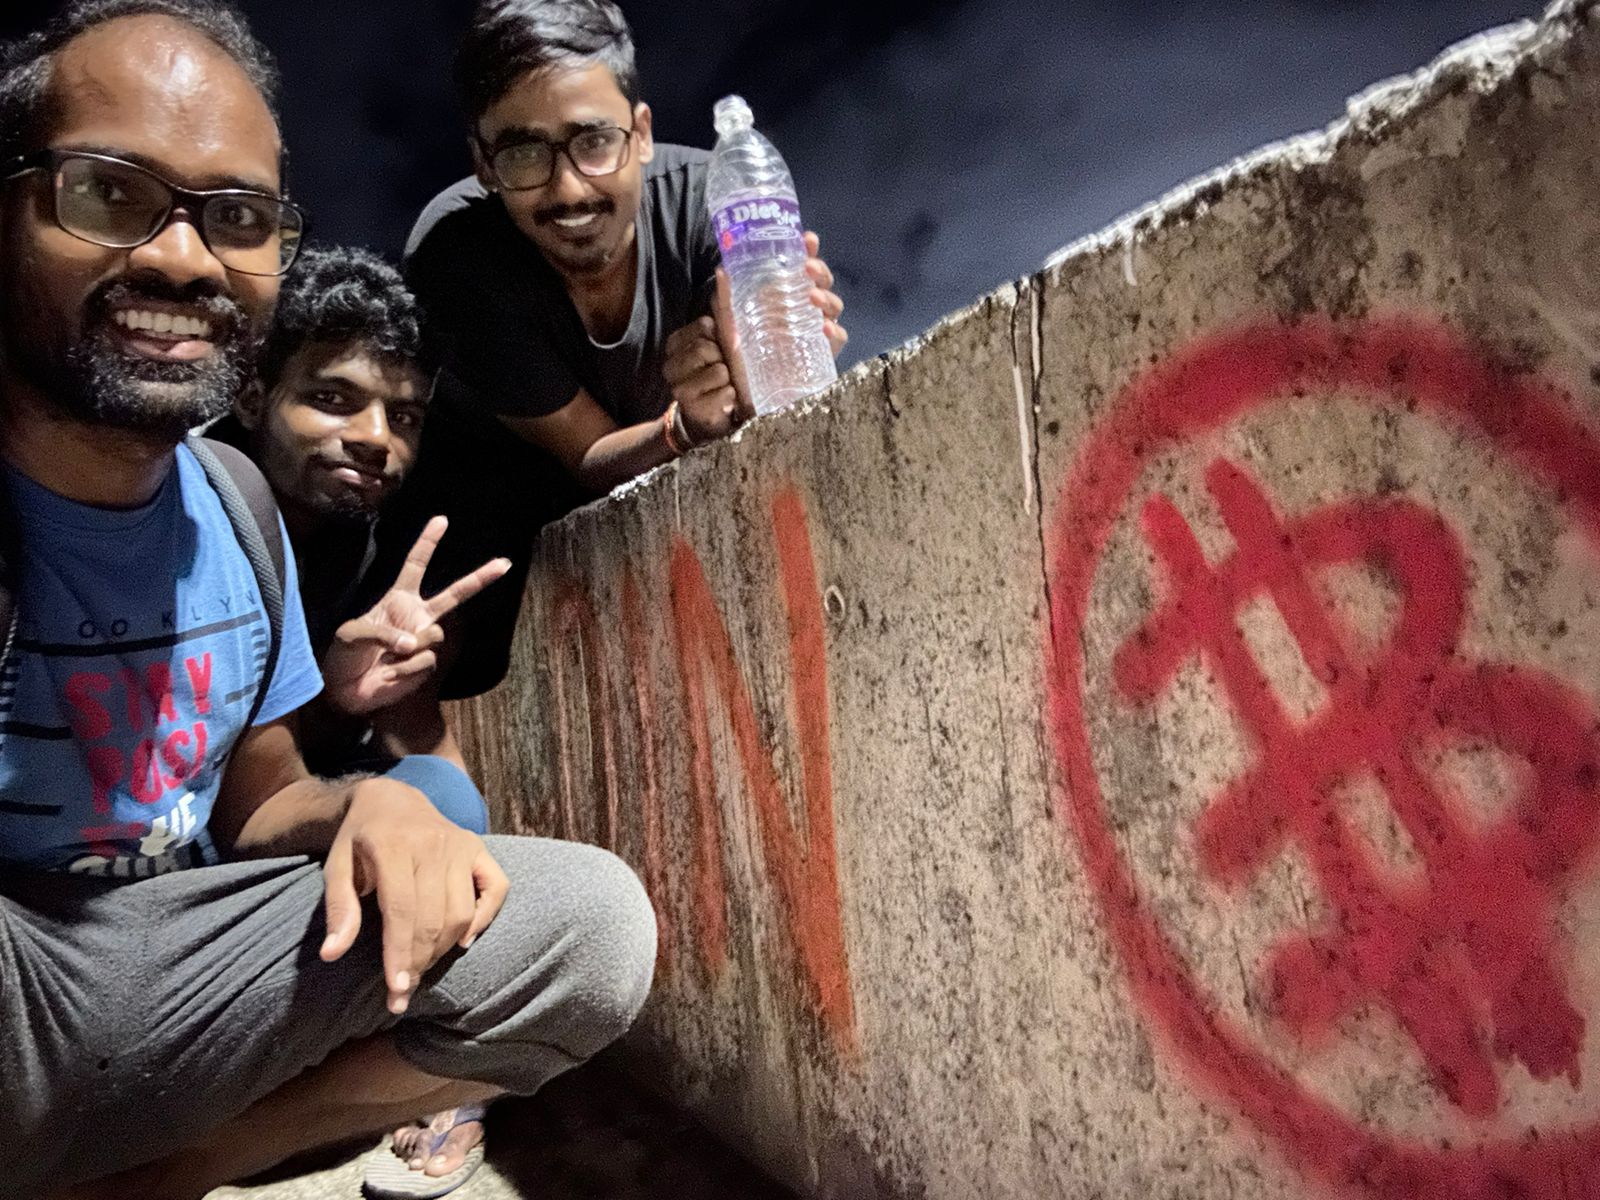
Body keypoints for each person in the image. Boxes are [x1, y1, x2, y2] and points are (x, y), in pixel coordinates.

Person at [0, 4, 656, 1199]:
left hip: (173, 958)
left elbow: (273, 798)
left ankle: (183, 1161)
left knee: (584, 922)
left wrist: (378, 805)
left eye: (236, 217)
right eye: (109, 195)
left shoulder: (240, 512)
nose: (182, 258)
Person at [384, 0, 848, 699]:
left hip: (663, 479)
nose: (568, 188)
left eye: (594, 140)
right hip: (493, 500)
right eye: (523, 154)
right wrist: (684, 423)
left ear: (642, 134)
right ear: (484, 164)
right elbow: (585, 457)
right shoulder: (457, 257)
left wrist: (776, 351)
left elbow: (765, 403)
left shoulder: (712, 204)